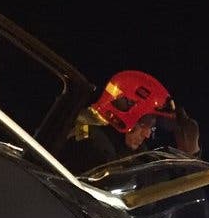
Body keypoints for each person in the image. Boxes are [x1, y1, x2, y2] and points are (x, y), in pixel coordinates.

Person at [60, 70, 196, 174]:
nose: (148, 135)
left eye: (152, 126)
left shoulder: (127, 148)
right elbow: (119, 182)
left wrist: (190, 152)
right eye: (147, 124)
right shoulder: (87, 136)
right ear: (127, 112)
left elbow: (158, 180)